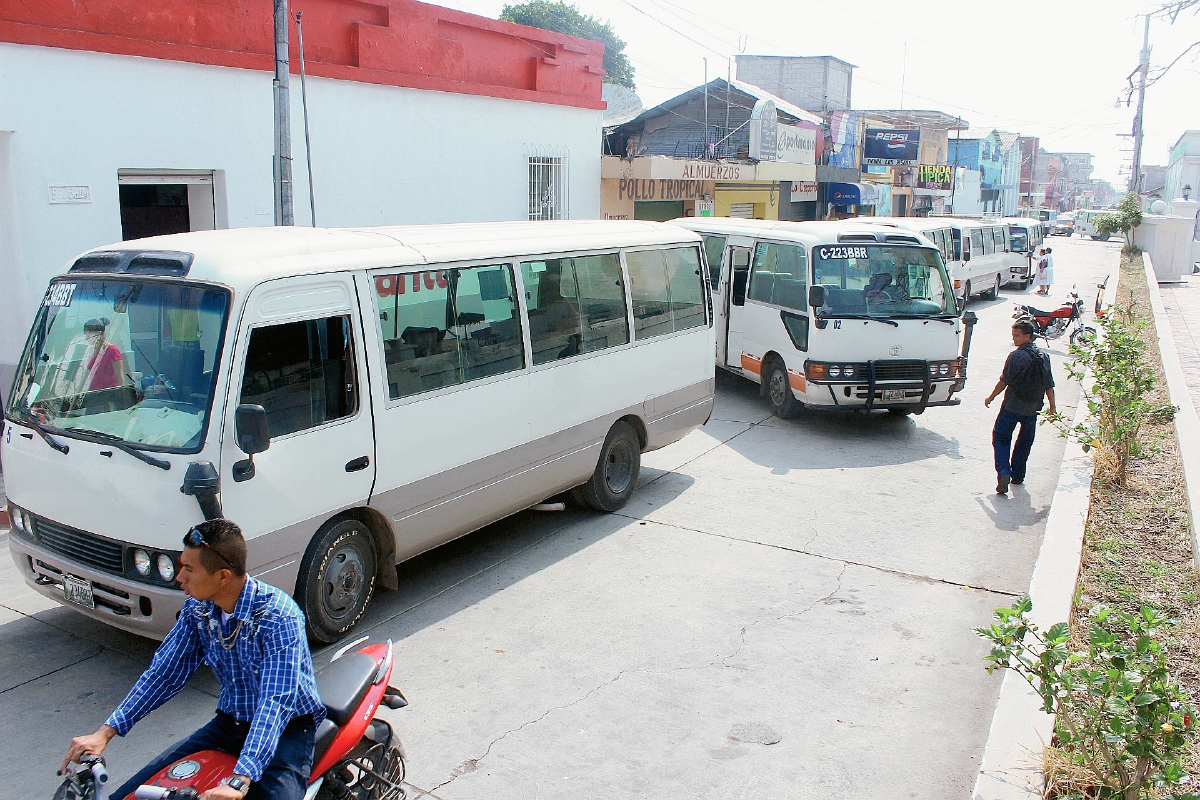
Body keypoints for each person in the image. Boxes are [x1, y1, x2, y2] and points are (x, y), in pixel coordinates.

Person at [60, 519, 324, 800]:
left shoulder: (279, 618)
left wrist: (239, 780)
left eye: (189, 569)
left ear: (222, 576)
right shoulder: (199, 609)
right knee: (133, 794)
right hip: (228, 725)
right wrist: (105, 732)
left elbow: (275, 703)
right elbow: (164, 674)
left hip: (288, 730)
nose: (179, 577)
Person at [984, 318, 1056, 494]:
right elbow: (1049, 384)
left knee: (1000, 437)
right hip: (1033, 407)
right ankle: (1017, 475)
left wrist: (991, 396)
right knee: (1025, 441)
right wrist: (1053, 407)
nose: (1014, 339)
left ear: (1027, 337)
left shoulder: (1016, 356)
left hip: (1012, 406)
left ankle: (1003, 471)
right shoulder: (1044, 356)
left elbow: (1004, 381)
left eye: (1017, 335)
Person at [83, 318, 124, 390]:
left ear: (98, 333)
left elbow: (120, 377)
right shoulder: (91, 350)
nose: (87, 337)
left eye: (89, 334)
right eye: (85, 334)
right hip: (93, 393)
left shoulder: (112, 350)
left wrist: (122, 397)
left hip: (109, 394)